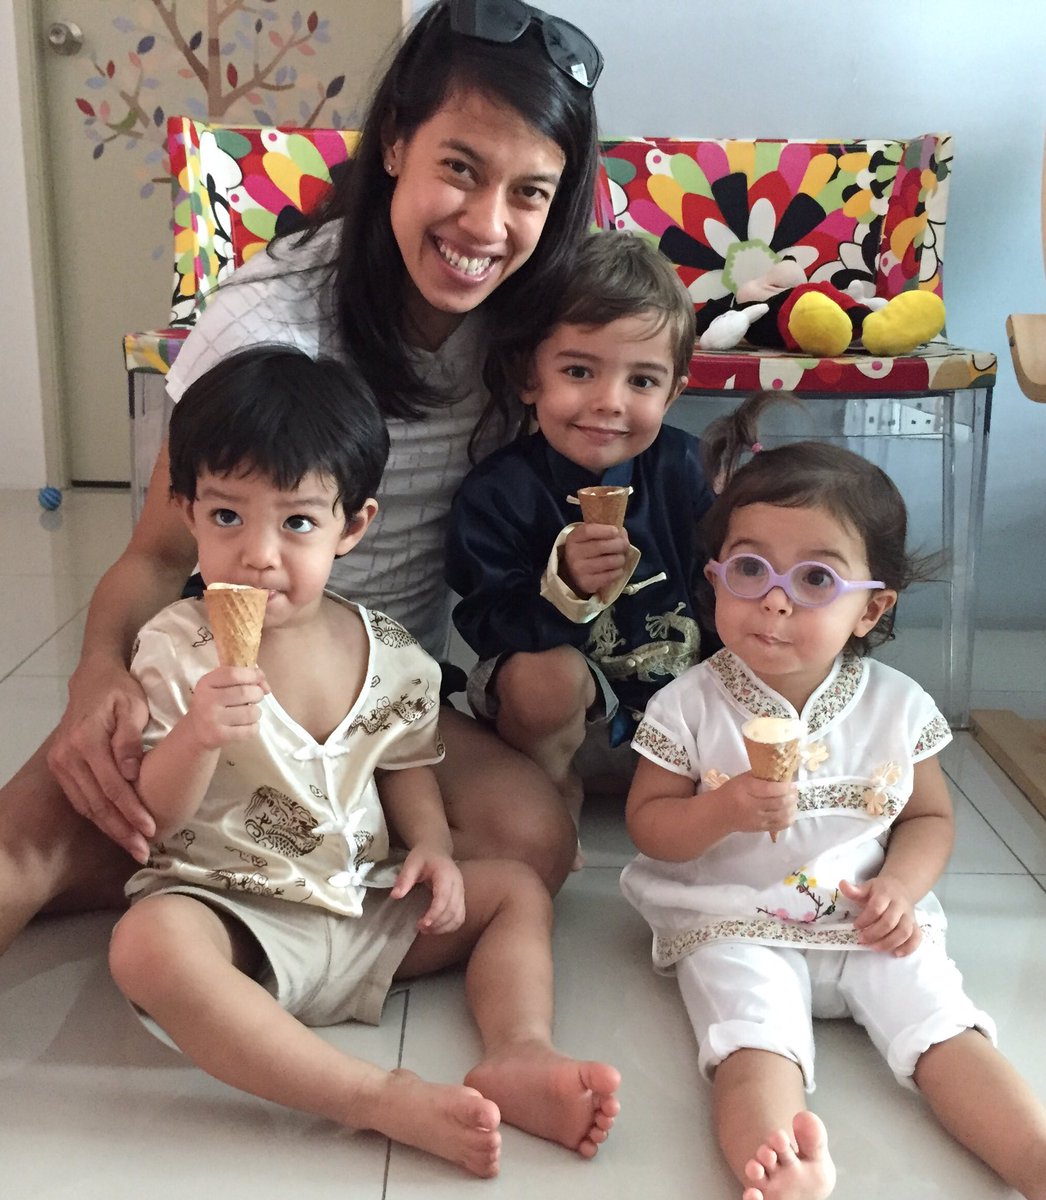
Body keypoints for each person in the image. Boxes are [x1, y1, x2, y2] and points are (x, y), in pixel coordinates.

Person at [0, 0, 606, 956]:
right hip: (222, 683)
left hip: (375, 697)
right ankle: (226, 889)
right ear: (395, 143)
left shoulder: (531, 325)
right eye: (460, 168)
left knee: (532, 843)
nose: (487, 224)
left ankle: (248, 904)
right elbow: (157, 553)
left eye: (528, 192)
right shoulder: (269, 327)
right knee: (19, 854)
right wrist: (97, 674)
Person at [108, 346, 620, 1177]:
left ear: (353, 526)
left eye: (297, 523)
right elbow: (155, 819)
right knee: (146, 945)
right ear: (186, 512)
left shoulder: (388, 651)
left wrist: (435, 849)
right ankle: (372, 1098)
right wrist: (197, 735)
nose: (259, 553)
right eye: (227, 516)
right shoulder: (175, 648)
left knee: (515, 891)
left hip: (359, 903)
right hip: (234, 916)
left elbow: (402, 764)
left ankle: (520, 1050)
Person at [620, 401, 1046, 1199]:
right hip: (737, 916)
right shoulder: (689, 704)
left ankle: (1032, 1153)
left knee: (943, 1024)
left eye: (816, 579)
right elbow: (649, 826)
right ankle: (781, 1163)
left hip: (868, 919)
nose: (775, 600)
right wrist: (722, 810)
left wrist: (901, 889)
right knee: (752, 1041)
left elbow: (928, 817)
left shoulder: (897, 705)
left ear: (871, 608)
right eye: (751, 569)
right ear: (715, 578)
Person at [446, 230, 714, 851]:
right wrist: (561, 589)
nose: (609, 402)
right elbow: (485, 623)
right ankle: (552, 789)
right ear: (529, 376)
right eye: (578, 371)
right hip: (562, 727)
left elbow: (722, 594)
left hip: (685, 719)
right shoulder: (498, 492)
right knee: (543, 679)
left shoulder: (688, 472)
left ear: (674, 392)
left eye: (641, 381)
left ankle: (678, 788)